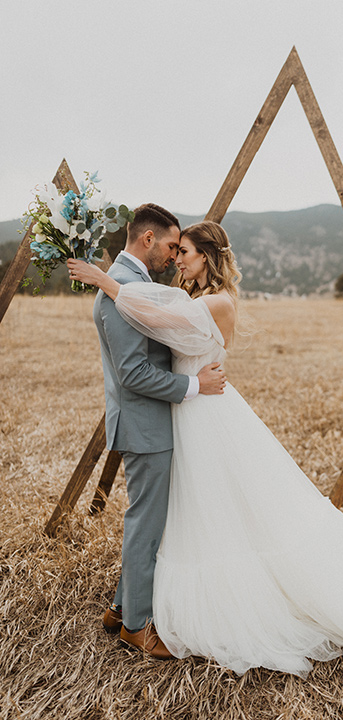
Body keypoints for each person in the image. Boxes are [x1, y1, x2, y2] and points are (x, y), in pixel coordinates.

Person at [68, 220, 343, 688]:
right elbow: (154, 319)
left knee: (221, 511)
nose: (179, 259)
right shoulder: (194, 297)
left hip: (205, 413)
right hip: (190, 411)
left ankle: (156, 607)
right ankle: (133, 605)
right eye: (176, 252)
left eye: (187, 252)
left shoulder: (217, 302)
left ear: (209, 257)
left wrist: (105, 280)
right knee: (189, 512)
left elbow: (155, 319)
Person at [86, 205, 226, 660]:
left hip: (152, 422)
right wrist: (194, 384)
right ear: (147, 239)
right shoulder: (121, 288)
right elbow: (132, 373)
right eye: (170, 246)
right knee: (146, 524)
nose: (172, 257)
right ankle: (136, 626)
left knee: (148, 520)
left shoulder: (126, 284)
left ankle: (122, 606)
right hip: (146, 424)